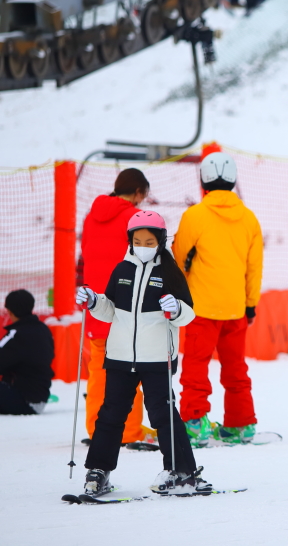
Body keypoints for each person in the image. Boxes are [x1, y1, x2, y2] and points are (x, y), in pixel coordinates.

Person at [75, 212, 210, 497]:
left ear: (160, 241)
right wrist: (94, 301)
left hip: (157, 358)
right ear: (130, 241)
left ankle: (182, 471)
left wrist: (175, 309)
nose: (143, 246)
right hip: (120, 357)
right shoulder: (122, 270)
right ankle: (98, 472)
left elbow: (187, 314)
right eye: (138, 241)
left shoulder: (170, 273)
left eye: (150, 241)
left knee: (162, 413)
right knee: (111, 413)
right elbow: (111, 310)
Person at [173, 152, 263, 447]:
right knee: (235, 367)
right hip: (236, 307)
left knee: (196, 367)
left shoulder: (195, 216)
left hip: (201, 307)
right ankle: (242, 425)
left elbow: (178, 256)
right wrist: (250, 303)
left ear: (203, 181)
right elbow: (254, 267)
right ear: (234, 180)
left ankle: (195, 423)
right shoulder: (249, 218)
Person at [79, 168, 153, 445]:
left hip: (97, 305)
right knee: (130, 369)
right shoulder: (132, 218)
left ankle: (97, 429)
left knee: (99, 370)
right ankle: (129, 431)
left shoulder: (91, 216)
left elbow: (85, 254)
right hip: (125, 308)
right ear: (137, 192)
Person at [0, 290, 54, 415]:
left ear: (10, 311)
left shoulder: (17, 334)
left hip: (24, 400)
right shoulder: (43, 329)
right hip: (39, 398)